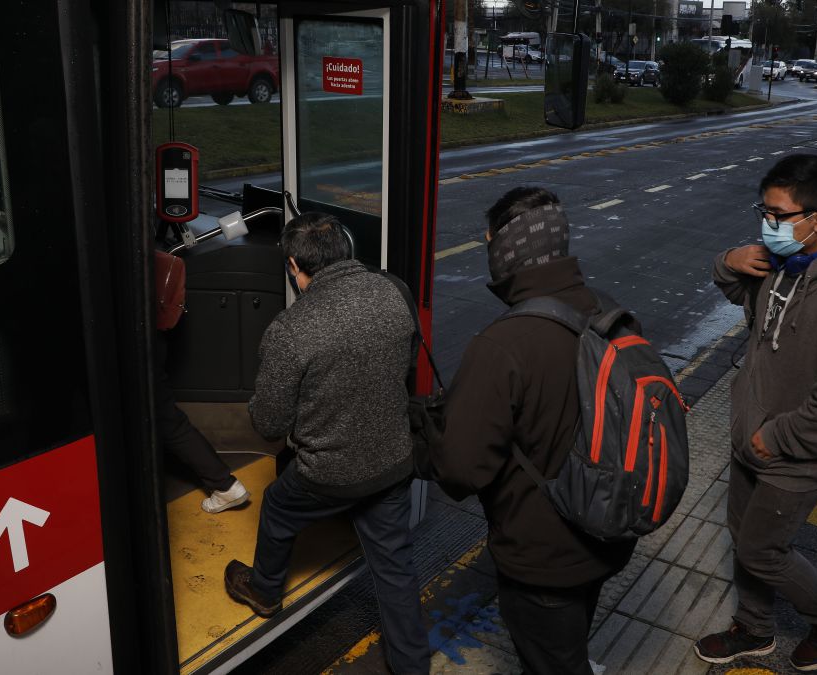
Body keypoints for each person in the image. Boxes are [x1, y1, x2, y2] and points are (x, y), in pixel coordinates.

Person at [426, 187, 636, 675]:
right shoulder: (607, 311)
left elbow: (460, 470)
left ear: (506, 249)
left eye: (488, 240)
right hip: (608, 526)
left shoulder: (503, 345)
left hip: (543, 557)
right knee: (570, 640)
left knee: (551, 660)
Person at [695, 155, 817, 672]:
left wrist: (778, 437)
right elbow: (743, 294)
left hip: (792, 453)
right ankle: (754, 629)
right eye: (765, 210)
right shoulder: (788, 261)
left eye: (777, 214)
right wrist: (728, 261)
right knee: (744, 537)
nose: (767, 223)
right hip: (751, 432)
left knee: (762, 551)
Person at [224, 213, 428, 675]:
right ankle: (413, 665)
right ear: (345, 250)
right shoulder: (396, 291)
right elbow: (405, 362)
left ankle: (265, 591)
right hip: (394, 460)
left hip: (329, 474)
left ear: (295, 266)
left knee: (277, 505)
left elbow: (270, 423)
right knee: (394, 569)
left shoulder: (291, 329)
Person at [153, 329, 249, 513]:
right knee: (168, 421)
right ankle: (224, 484)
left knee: (168, 422)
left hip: (138, 345)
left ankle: (224, 485)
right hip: (153, 338)